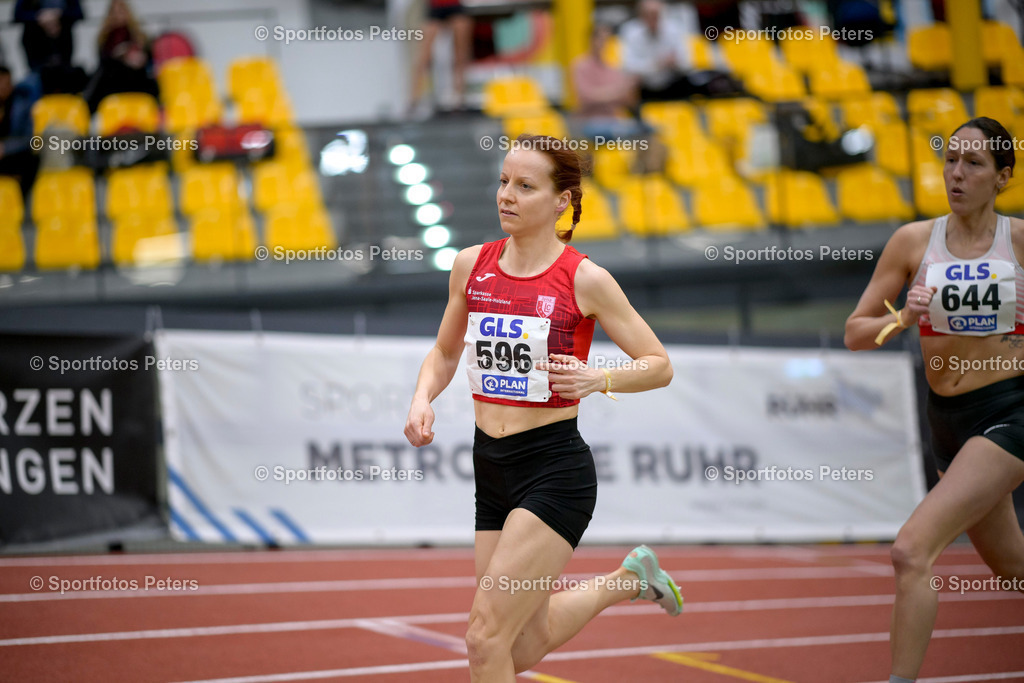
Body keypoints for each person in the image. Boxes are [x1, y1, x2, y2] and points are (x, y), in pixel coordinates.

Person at [404, 133, 683, 681]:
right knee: (515, 646)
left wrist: (600, 378)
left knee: (483, 639)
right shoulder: (470, 265)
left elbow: (658, 363)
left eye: (525, 186)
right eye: (504, 181)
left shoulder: (585, 278)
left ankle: (627, 580)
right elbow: (444, 351)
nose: (507, 195)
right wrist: (421, 398)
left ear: (562, 201)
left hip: (554, 470)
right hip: (492, 468)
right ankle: (627, 580)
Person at [844, 117, 1024, 683]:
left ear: (1002, 177)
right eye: (950, 160)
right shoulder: (913, 241)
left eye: (974, 163)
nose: (957, 173)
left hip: (1009, 413)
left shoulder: (1017, 241)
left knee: (910, 551)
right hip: (945, 419)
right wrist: (903, 317)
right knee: (1014, 569)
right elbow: (855, 332)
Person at [571, 23, 645, 141]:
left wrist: (631, 88)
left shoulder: (613, 68)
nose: (603, 43)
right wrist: (616, 92)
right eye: (600, 39)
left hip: (613, 121)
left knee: (648, 130)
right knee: (631, 133)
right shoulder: (581, 66)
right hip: (589, 123)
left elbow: (626, 101)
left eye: (606, 40)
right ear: (591, 40)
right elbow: (585, 97)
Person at [83, 0, 158, 113]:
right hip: (114, 80)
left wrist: (139, 59)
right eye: (115, 12)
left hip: (135, 78)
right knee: (107, 70)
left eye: (121, 11)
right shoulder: (104, 38)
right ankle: (88, 112)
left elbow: (150, 61)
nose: (118, 15)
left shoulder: (140, 37)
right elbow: (102, 63)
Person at [407, 0, 473, 117]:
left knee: (460, 55)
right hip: (435, 8)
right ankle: (414, 100)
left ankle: (460, 97)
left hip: (454, 6)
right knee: (423, 57)